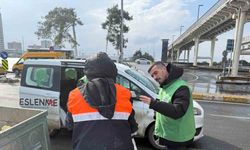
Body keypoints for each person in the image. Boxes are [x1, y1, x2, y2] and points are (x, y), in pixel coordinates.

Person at [67, 52, 138, 150]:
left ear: (88, 72)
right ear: (113, 71)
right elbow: (133, 128)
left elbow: (69, 125)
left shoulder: (74, 95)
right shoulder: (125, 93)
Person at [139, 61, 195, 150]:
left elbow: (177, 111)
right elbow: (165, 104)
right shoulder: (165, 86)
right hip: (170, 135)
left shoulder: (181, 87)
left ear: (164, 69)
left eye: (156, 73)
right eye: (152, 76)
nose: (154, 77)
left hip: (179, 138)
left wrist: (154, 104)